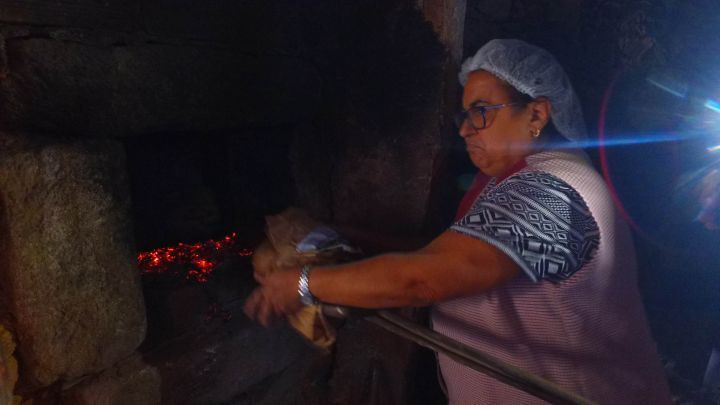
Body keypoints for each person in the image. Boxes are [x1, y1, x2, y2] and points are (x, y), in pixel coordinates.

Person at [244, 39, 672, 404]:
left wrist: (303, 284)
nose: (466, 130)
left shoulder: (551, 191)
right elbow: (444, 252)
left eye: (481, 111)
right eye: (465, 115)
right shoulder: (522, 179)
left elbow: (428, 277)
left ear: (537, 115)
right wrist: (342, 238)